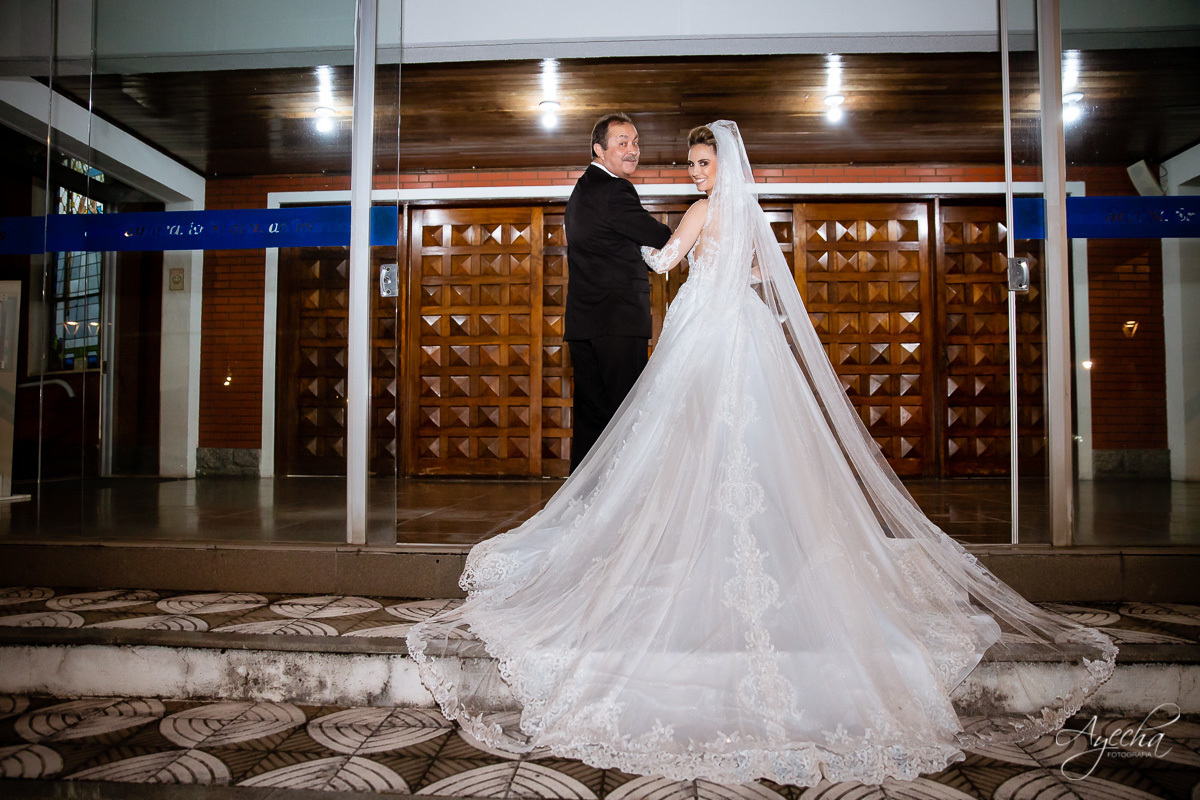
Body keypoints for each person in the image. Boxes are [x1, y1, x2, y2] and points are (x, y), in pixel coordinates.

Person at [408, 121, 1116, 787]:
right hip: (748, 335)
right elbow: (750, 278)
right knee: (753, 445)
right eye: (690, 165)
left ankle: (688, 551)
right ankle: (767, 555)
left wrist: (643, 256)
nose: (693, 172)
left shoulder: (699, 212)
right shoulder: (748, 219)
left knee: (684, 443)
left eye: (701, 163)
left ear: (722, 166)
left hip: (702, 341)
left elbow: (661, 259)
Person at [563, 112, 672, 472]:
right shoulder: (615, 190)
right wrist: (701, 229)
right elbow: (658, 237)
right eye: (622, 142)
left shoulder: (581, 191)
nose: (632, 150)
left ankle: (581, 507)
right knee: (627, 417)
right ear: (599, 149)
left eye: (636, 142)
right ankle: (622, 509)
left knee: (592, 421)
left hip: (585, 325)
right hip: (618, 323)